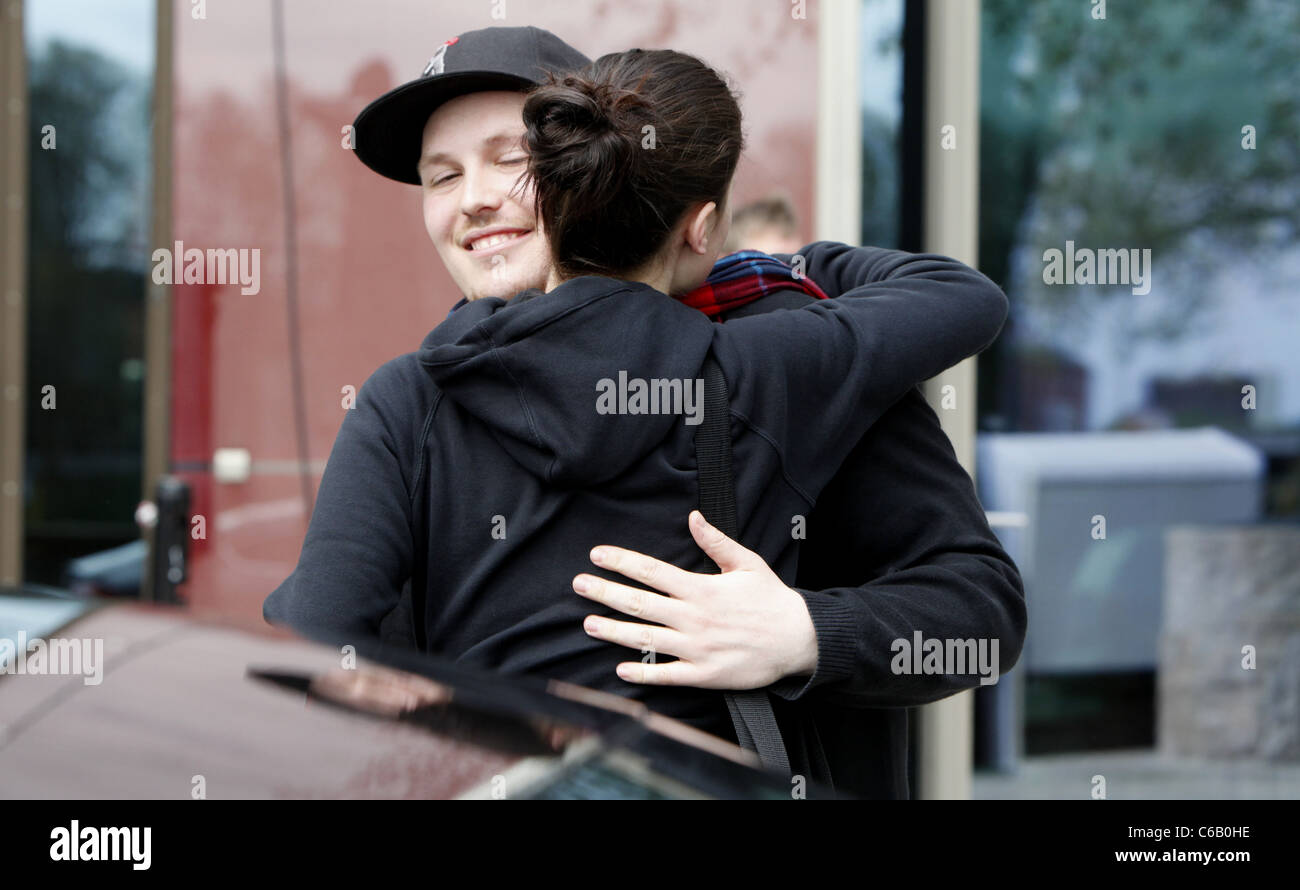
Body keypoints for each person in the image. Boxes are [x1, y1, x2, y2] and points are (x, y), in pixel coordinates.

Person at [266, 26, 1026, 799]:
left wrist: (807, 634)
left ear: (597, 164)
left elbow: (980, 618)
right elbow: (317, 661)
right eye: (441, 177)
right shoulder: (412, 400)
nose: (473, 199)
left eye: (508, 158)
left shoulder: (791, 347)